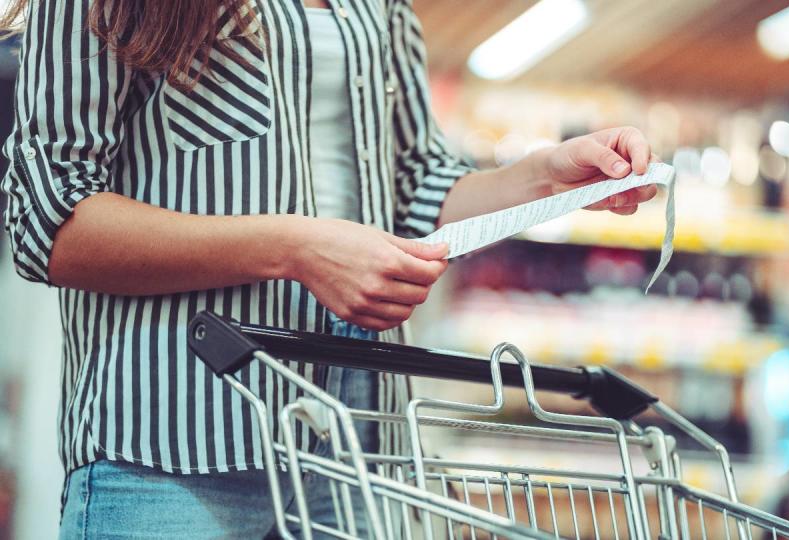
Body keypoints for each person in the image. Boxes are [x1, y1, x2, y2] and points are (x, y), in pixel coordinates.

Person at [0, 0, 657, 536]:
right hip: (173, 450)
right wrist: (295, 249)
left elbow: (414, 190)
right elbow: (50, 222)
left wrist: (542, 178)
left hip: (359, 446)